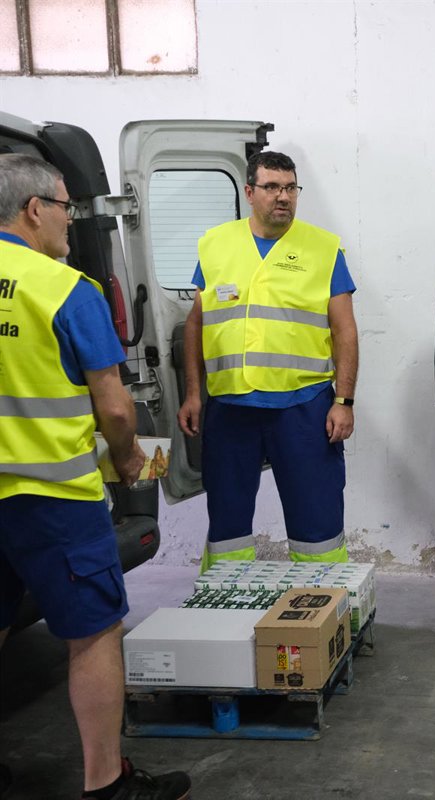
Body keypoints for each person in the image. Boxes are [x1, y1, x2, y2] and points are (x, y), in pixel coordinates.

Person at [0, 154, 191, 799]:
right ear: (34, 210)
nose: (70, 220)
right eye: (65, 207)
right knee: (93, 633)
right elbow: (113, 407)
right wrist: (128, 458)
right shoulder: (66, 289)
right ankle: (108, 785)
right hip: (51, 498)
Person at [178, 151, 359, 569]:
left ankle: (325, 599)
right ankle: (226, 597)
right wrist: (193, 394)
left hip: (304, 407)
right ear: (249, 191)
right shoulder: (215, 245)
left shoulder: (323, 248)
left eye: (291, 188)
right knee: (227, 525)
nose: (283, 197)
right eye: (272, 187)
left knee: (317, 520)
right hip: (230, 406)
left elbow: (345, 331)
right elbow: (196, 324)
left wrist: (344, 401)